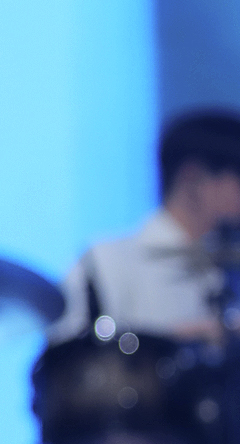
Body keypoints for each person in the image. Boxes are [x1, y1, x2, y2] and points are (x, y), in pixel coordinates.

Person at [50, 109, 240, 345]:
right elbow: (66, 353)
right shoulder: (105, 262)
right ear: (192, 178)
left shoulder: (225, 265)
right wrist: (170, 342)